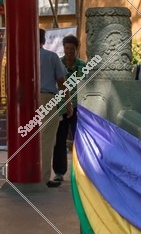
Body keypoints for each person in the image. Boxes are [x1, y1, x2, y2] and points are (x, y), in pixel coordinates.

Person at [54, 34, 86, 182]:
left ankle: (80, 171)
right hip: (60, 108)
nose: (69, 52)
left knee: (78, 140)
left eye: (72, 49)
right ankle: (59, 172)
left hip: (78, 108)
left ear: (76, 49)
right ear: (64, 48)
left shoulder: (83, 66)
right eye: (66, 48)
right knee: (59, 140)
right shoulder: (58, 64)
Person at [39, 29, 69, 188]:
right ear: (43, 40)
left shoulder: (22, 56)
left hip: (26, 102)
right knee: (46, 139)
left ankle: (26, 174)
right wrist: (68, 104)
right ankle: (43, 177)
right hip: (47, 99)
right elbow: (61, 82)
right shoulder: (51, 57)